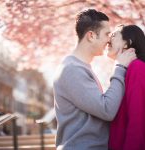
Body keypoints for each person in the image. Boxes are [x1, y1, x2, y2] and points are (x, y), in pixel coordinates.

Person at [53, 9, 136, 150]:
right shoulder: (72, 70)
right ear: (91, 36)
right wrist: (120, 67)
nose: (109, 39)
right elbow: (106, 110)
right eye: (106, 34)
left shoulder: (80, 67)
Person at [108, 25, 145, 150]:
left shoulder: (137, 68)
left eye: (114, 35)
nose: (108, 39)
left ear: (126, 44)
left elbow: (137, 121)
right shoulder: (124, 70)